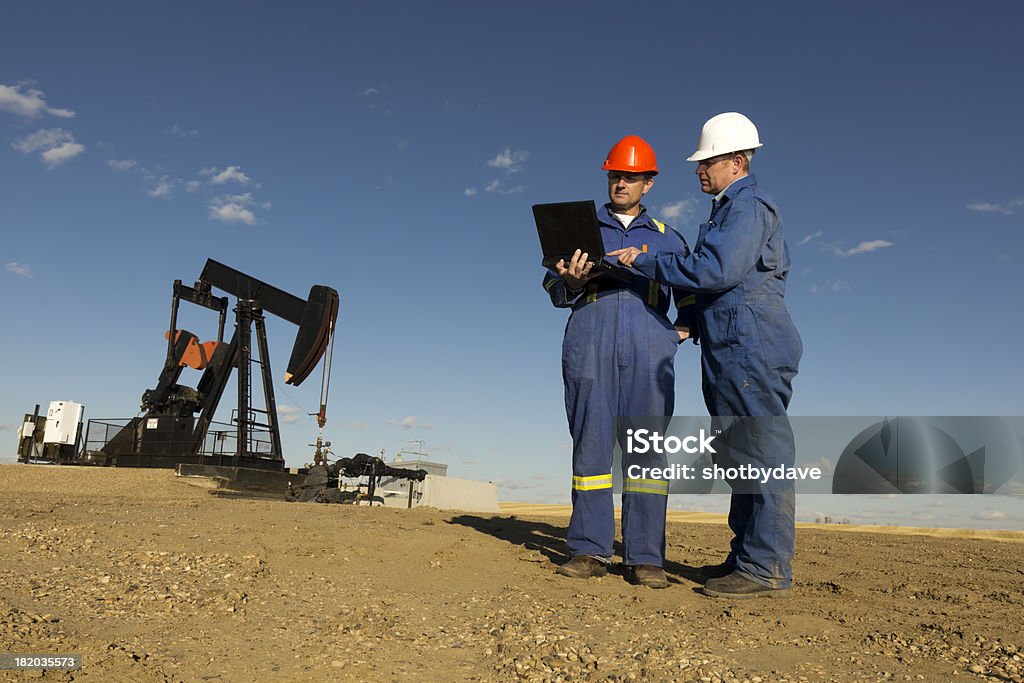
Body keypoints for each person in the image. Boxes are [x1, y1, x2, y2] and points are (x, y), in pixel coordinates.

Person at [610, 113, 803, 599]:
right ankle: (747, 556)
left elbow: (716, 269)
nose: (699, 169)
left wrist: (645, 258)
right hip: (729, 344)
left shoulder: (749, 207)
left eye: (708, 161)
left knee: (762, 452)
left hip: (750, 342)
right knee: (739, 453)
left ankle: (766, 568)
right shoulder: (725, 210)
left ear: (736, 162)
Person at [543, 135, 695, 589]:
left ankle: (644, 557)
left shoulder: (669, 239)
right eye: (615, 175)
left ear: (649, 183)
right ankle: (589, 549)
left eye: (630, 176)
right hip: (589, 334)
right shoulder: (578, 229)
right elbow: (553, 292)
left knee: (646, 449)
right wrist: (569, 281)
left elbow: (691, 294)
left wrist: (680, 331)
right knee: (591, 444)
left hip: (650, 342)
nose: (620, 183)